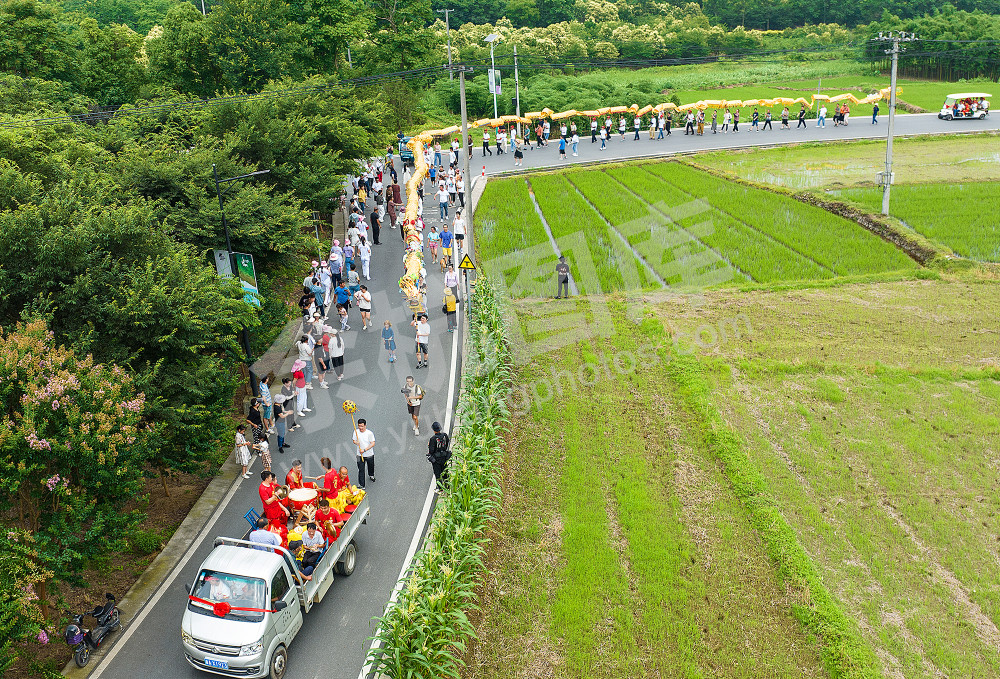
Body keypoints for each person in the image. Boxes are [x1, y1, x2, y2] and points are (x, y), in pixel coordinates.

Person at [427, 422, 451, 493]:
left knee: (438, 473)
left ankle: (440, 488)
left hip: (436, 459)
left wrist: (429, 445)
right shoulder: (445, 436)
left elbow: (431, 451)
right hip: (444, 457)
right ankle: (447, 485)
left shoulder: (433, 439)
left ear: (434, 430)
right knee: (445, 472)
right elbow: (446, 445)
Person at [352, 419, 376, 487]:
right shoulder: (356, 432)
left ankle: (371, 475)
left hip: (369, 454)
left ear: (365, 425)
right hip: (359, 455)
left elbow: (373, 443)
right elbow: (354, 440)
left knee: (371, 466)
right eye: (359, 426)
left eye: (362, 426)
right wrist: (356, 442)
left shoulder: (369, 433)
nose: (360, 428)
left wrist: (365, 450)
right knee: (361, 469)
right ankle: (362, 484)